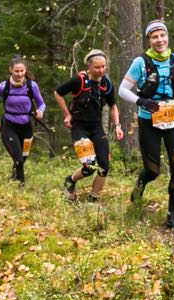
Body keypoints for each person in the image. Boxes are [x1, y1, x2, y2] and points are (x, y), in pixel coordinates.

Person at [123, 20, 174, 229]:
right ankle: (137, 194)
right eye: (154, 37)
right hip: (148, 119)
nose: (159, 40)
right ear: (149, 40)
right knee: (152, 170)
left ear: (167, 37)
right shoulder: (141, 62)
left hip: (172, 118)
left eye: (162, 36)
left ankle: (172, 214)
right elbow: (123, 90)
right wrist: (141, 101)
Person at [52, 49, 124, 202]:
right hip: (79, 127)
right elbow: (57, 93)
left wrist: (117, 125)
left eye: (104, 66)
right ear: (89, 67)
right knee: (89, 167)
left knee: (104, 166)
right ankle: (70, 180)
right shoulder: (79, 80)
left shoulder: (107, 83)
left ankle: (93, 199)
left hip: (97, 128)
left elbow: (113, 106)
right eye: (97, 67)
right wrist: (67, 114)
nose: (101, 70)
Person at [0, 57, 45, 184]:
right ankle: (21, 186)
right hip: (9, 126)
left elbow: (41, 104)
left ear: (25, 70)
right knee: (18, 159)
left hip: (26, 127)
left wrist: (40, 111)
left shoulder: (32, 86)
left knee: (22, 159)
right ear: (11, 70)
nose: (20, 74)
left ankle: (13, 177)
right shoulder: (3, 87)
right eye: (16, 71)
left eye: (22, 71)